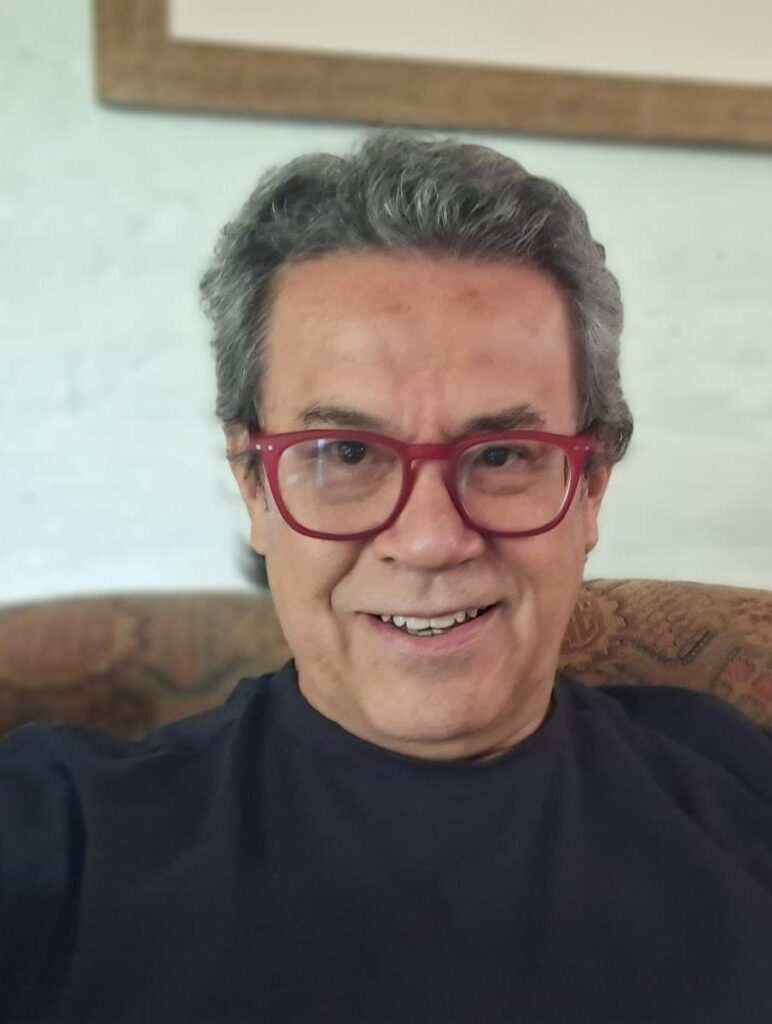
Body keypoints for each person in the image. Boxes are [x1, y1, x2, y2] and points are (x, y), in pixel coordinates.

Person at [2, 132, 771, 1024]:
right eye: (346, 452)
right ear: (255, 486)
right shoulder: (61, 840)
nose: (432, 539)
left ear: (590, 487)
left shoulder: (737, 782)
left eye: (503, 453)